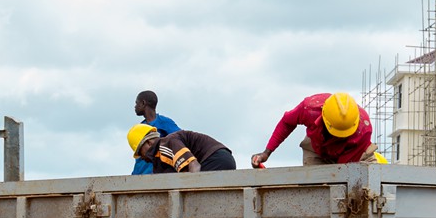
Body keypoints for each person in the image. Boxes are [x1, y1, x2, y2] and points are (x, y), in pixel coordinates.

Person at [249, 92, 383, 167]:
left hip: (354, 157)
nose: (339, 137)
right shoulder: (310, 108)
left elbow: (342, 172)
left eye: (343, 134)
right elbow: (286, 123)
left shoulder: (363, 131)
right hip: (317, 148)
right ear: (324, 118)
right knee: (315, 190)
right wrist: (267, 152)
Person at [127, 124, 236, 173]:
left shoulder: (166, 144)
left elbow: (194, 165)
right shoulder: (159, 160)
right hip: (220, 159)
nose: (141, 157)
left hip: (216, 158)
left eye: (140, 152)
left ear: (149, 143)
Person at [131, 91, 182, 175]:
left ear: (143, 103)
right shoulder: (140, 127)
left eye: (137, 103)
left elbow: (181, 140)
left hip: (157, 175)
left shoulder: (164, 122)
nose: (135, 106)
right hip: (138, 174)